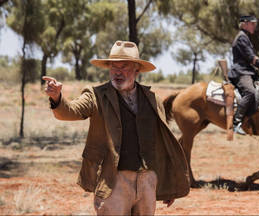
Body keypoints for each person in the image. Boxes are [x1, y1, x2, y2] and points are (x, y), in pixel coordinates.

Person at [43, 40, 190, 215]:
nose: (118, 72)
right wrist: (57, 98)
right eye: (114, 67)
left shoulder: (152, 98)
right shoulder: (96, 95)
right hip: (114, 181)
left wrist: (168, 183)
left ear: (136, 69)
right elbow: (70, 111)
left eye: (124, 67)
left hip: (147, 181)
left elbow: (161, 142)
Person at [228, 15, 259, 135]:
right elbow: (252, 58)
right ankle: (236, 122)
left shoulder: (245, 37)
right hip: (241, 72)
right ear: (244, 24)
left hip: (248, 71)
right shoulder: (241, 38)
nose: (255, 26)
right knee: (250, 92)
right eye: (252, 23)